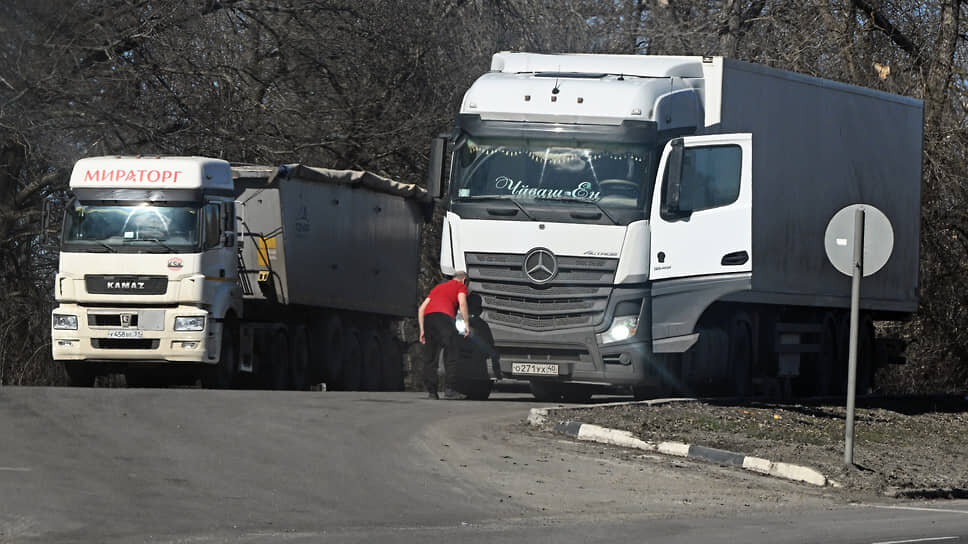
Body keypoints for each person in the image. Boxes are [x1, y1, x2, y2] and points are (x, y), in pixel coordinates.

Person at [418, 271, 470, 400]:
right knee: (451, 353)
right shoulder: (460, 286)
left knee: (430, 357)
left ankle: (432, 392)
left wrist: (422, 330)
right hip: (444, 319)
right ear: (464, 280)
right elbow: (462, 303)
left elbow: (421, 309)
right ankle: (450, 390)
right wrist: (466, 324)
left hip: (428, 319)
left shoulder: (438, 287)